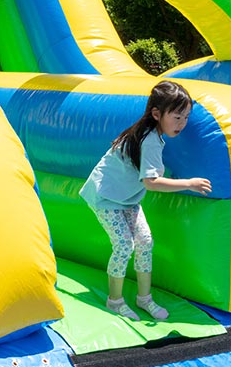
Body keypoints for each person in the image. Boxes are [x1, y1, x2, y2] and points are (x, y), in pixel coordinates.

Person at [80, 80, 212, 321]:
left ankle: (144, 298)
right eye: (177, 117)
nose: (182, 124)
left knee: (145, 241)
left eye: (186, 117)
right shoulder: (149, 138)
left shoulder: (152, 135)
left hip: (126, 198)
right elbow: (151, 183)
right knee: (124, 245)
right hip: (105, 196)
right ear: (156, 114)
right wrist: (189, 183)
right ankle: (115, 301)